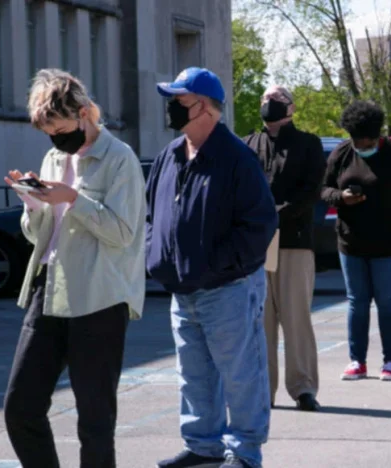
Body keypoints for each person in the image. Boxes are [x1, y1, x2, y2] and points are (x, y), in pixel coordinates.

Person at [2, 69, 146, 468]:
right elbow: (39, 236)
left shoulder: (120, 158)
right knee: (20, 408)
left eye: (61, 128)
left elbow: (122, 232)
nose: (56, 140)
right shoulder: (54, 156)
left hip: (99, 298)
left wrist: (73, 199)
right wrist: (33, 204)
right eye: (49, 133)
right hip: (48, 290)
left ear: (84, 113)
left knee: (95, 422)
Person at [148, 68, 278, 468]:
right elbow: (152, 215)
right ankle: (203, 447)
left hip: (227, 289)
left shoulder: (237, 157)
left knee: (241, 375)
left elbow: (259, 226)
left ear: (203, 106)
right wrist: (157, 256)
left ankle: (245, 452)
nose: (170, 108)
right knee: (194, 376)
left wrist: (215, 266)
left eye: (178, 100)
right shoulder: (170, 156)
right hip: (182, 290)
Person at [243, 85, 326, 412]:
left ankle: (303, 388)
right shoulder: (248, 144)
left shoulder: (308, 144)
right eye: (264, 99)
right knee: (260, 321)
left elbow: (311, 191)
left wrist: (275, 213)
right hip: (257, 245)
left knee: (296, 318)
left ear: (291, 108)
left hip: (294, 240)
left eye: (275, 101)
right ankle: (264, 390)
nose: (268, 104)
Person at [322, 100, 391, 381]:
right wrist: (341, 198)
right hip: (351, 244)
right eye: (357, 141)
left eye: (367, 141)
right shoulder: (341, 153)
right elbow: (324, 189)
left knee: (387, 302)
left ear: (377, 136)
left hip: (388, 246)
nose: (362, 146)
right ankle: (357, 361)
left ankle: (390, 361)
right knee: (357, 302)